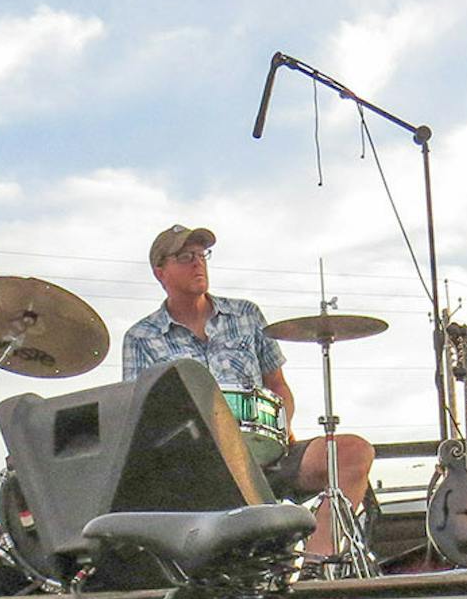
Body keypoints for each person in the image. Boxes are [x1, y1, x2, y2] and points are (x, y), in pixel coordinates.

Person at [120, 223, 375, 561]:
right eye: (185, 257)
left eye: (201, 255)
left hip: (263, 454)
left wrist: (282, 425)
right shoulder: (140, 337)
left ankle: (315, 565)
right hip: (193, 466)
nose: (198, 263)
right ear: (160, 272)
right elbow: (140, 413)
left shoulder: (246, 315)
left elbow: (278, 385)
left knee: (353, 452)